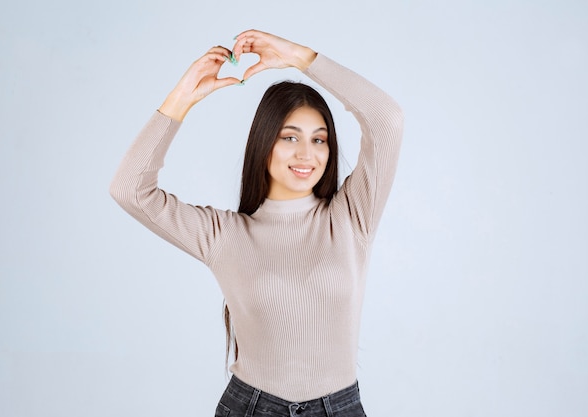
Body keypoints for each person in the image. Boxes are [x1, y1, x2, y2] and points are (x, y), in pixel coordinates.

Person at [110, 29, 403, 417]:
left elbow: (387, 119)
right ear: (264, 142)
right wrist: (181, 100)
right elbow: (130, 188)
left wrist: (301, 57)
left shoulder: (351, 217)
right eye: (289, 137)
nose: (306, 153)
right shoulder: (223, 235)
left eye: (319, 140)